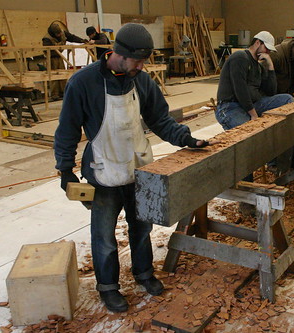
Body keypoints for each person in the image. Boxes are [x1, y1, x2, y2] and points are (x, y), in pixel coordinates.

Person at [54, 23, 210, 313]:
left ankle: (144, 273)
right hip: (102, 172)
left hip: (138, 168)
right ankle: (109, 287)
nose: (141, 66)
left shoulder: (142, 81)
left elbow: (160, 120)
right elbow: (67, 130)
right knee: (104, 236)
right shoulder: (83, 83)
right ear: (118, 54)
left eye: (144, 61)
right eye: (137, 61)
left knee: (141, 228)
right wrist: (65, 170)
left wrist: (186, 139)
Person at [215, 31, 293, 130]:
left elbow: (271, 92)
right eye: (266, 49)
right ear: (257, 43)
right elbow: (240, 89)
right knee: (249, 131)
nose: (267, 53)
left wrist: (270, 65)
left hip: (254, 104)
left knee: (286, 99)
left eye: (269, 51)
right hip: (231, 106)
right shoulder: (240, 57)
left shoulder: (258, 66)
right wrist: (253, 115)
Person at [42, 22, 87, 100]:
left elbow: (72, 37)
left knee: (62, 75)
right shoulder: (47, 38)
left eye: (60, 33)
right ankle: (54, 94)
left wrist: (82, 40)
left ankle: (63, 92)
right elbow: (48, 49)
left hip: (60, 56)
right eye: (58, 34)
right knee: (53, 76)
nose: (60, 35)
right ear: (54, 33)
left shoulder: (62, 33)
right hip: (51, 57)